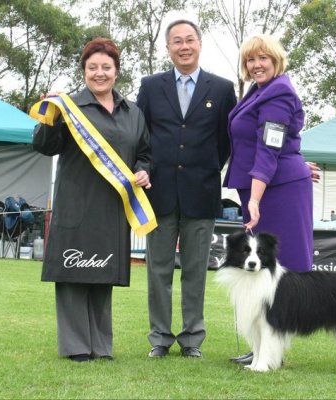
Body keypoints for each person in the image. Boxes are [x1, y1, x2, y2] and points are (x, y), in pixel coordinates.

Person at [32, 38, 152, 362]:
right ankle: (76, 347)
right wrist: (50, 115)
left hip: (113, 207)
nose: (100, 73)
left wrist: (143, 171)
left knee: (102, 276)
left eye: (106, 67)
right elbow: (44, 146)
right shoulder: (68, 106)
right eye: (92, 67)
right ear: (84, 71)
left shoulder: (133, 113)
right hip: (77, 203)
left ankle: (100, 346)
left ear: (117, 71)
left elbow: (144, 153)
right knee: (73, 275)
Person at [136, 20, 237, 359]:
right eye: (177, 41)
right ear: (168, 48)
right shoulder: (150, 86)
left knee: (195, 272)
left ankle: (192, 339)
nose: (184, 46)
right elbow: (141, 135)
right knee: (158, 271)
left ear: (199, 44)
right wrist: (144, 169)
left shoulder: (221, 89)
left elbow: (226, 141)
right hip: (158, 193)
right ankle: (160, 338)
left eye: (189, 40)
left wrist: (206, 168)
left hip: (202, 193)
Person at [222, 34, 314, 366]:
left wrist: (255, 200)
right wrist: (295, 160)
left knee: (281, 274)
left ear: (276, 60)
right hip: (266, 185)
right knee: (261, 275)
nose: (256, 64)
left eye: (263, 58)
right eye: (250, 59)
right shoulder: (258, 90)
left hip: (275, 191)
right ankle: (263, 347)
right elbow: (280, 142)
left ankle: (271, 349)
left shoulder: (278, 92)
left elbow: (269, 147)